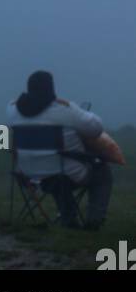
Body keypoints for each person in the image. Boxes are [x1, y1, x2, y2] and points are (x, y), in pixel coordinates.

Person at [6, 70, 113, 228]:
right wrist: (78, 110)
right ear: (51, 89)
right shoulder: (65, 110)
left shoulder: (12, 110)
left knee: (55, 172)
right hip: (65, 174)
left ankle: (68, 218)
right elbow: (96, 128)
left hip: (28, 175)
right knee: (102, 172)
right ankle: (93, 222)